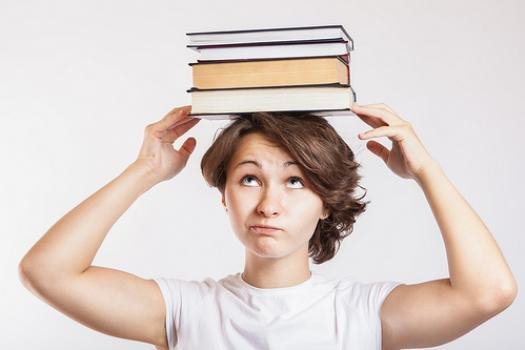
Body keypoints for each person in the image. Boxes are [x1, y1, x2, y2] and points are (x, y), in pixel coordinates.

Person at [18, 103, 517, 350]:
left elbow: (489, 292)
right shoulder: (185, 310)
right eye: (250, 178)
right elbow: (47, 271)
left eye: (297, 182)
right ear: (224, 196)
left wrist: (426, 171)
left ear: (327, 203)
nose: (270, 204)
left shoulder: (363, 314)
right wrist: (144, 171)